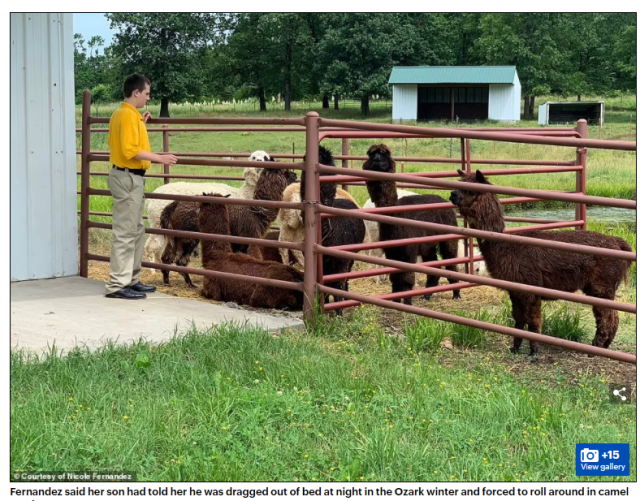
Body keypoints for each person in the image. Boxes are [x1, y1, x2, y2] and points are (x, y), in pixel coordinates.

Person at [105, 73, 178, 299]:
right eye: (147, 93)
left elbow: (124, 142)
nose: (148, 97)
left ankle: (131, 279)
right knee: (126, 233)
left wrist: (141, 123)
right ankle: (118, 285)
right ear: (136, 92)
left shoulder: (126, 115)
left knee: (136, 230)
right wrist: (160, 158)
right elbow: (130, 151)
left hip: (128, 177)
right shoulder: (127, 117)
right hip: (128, 177)